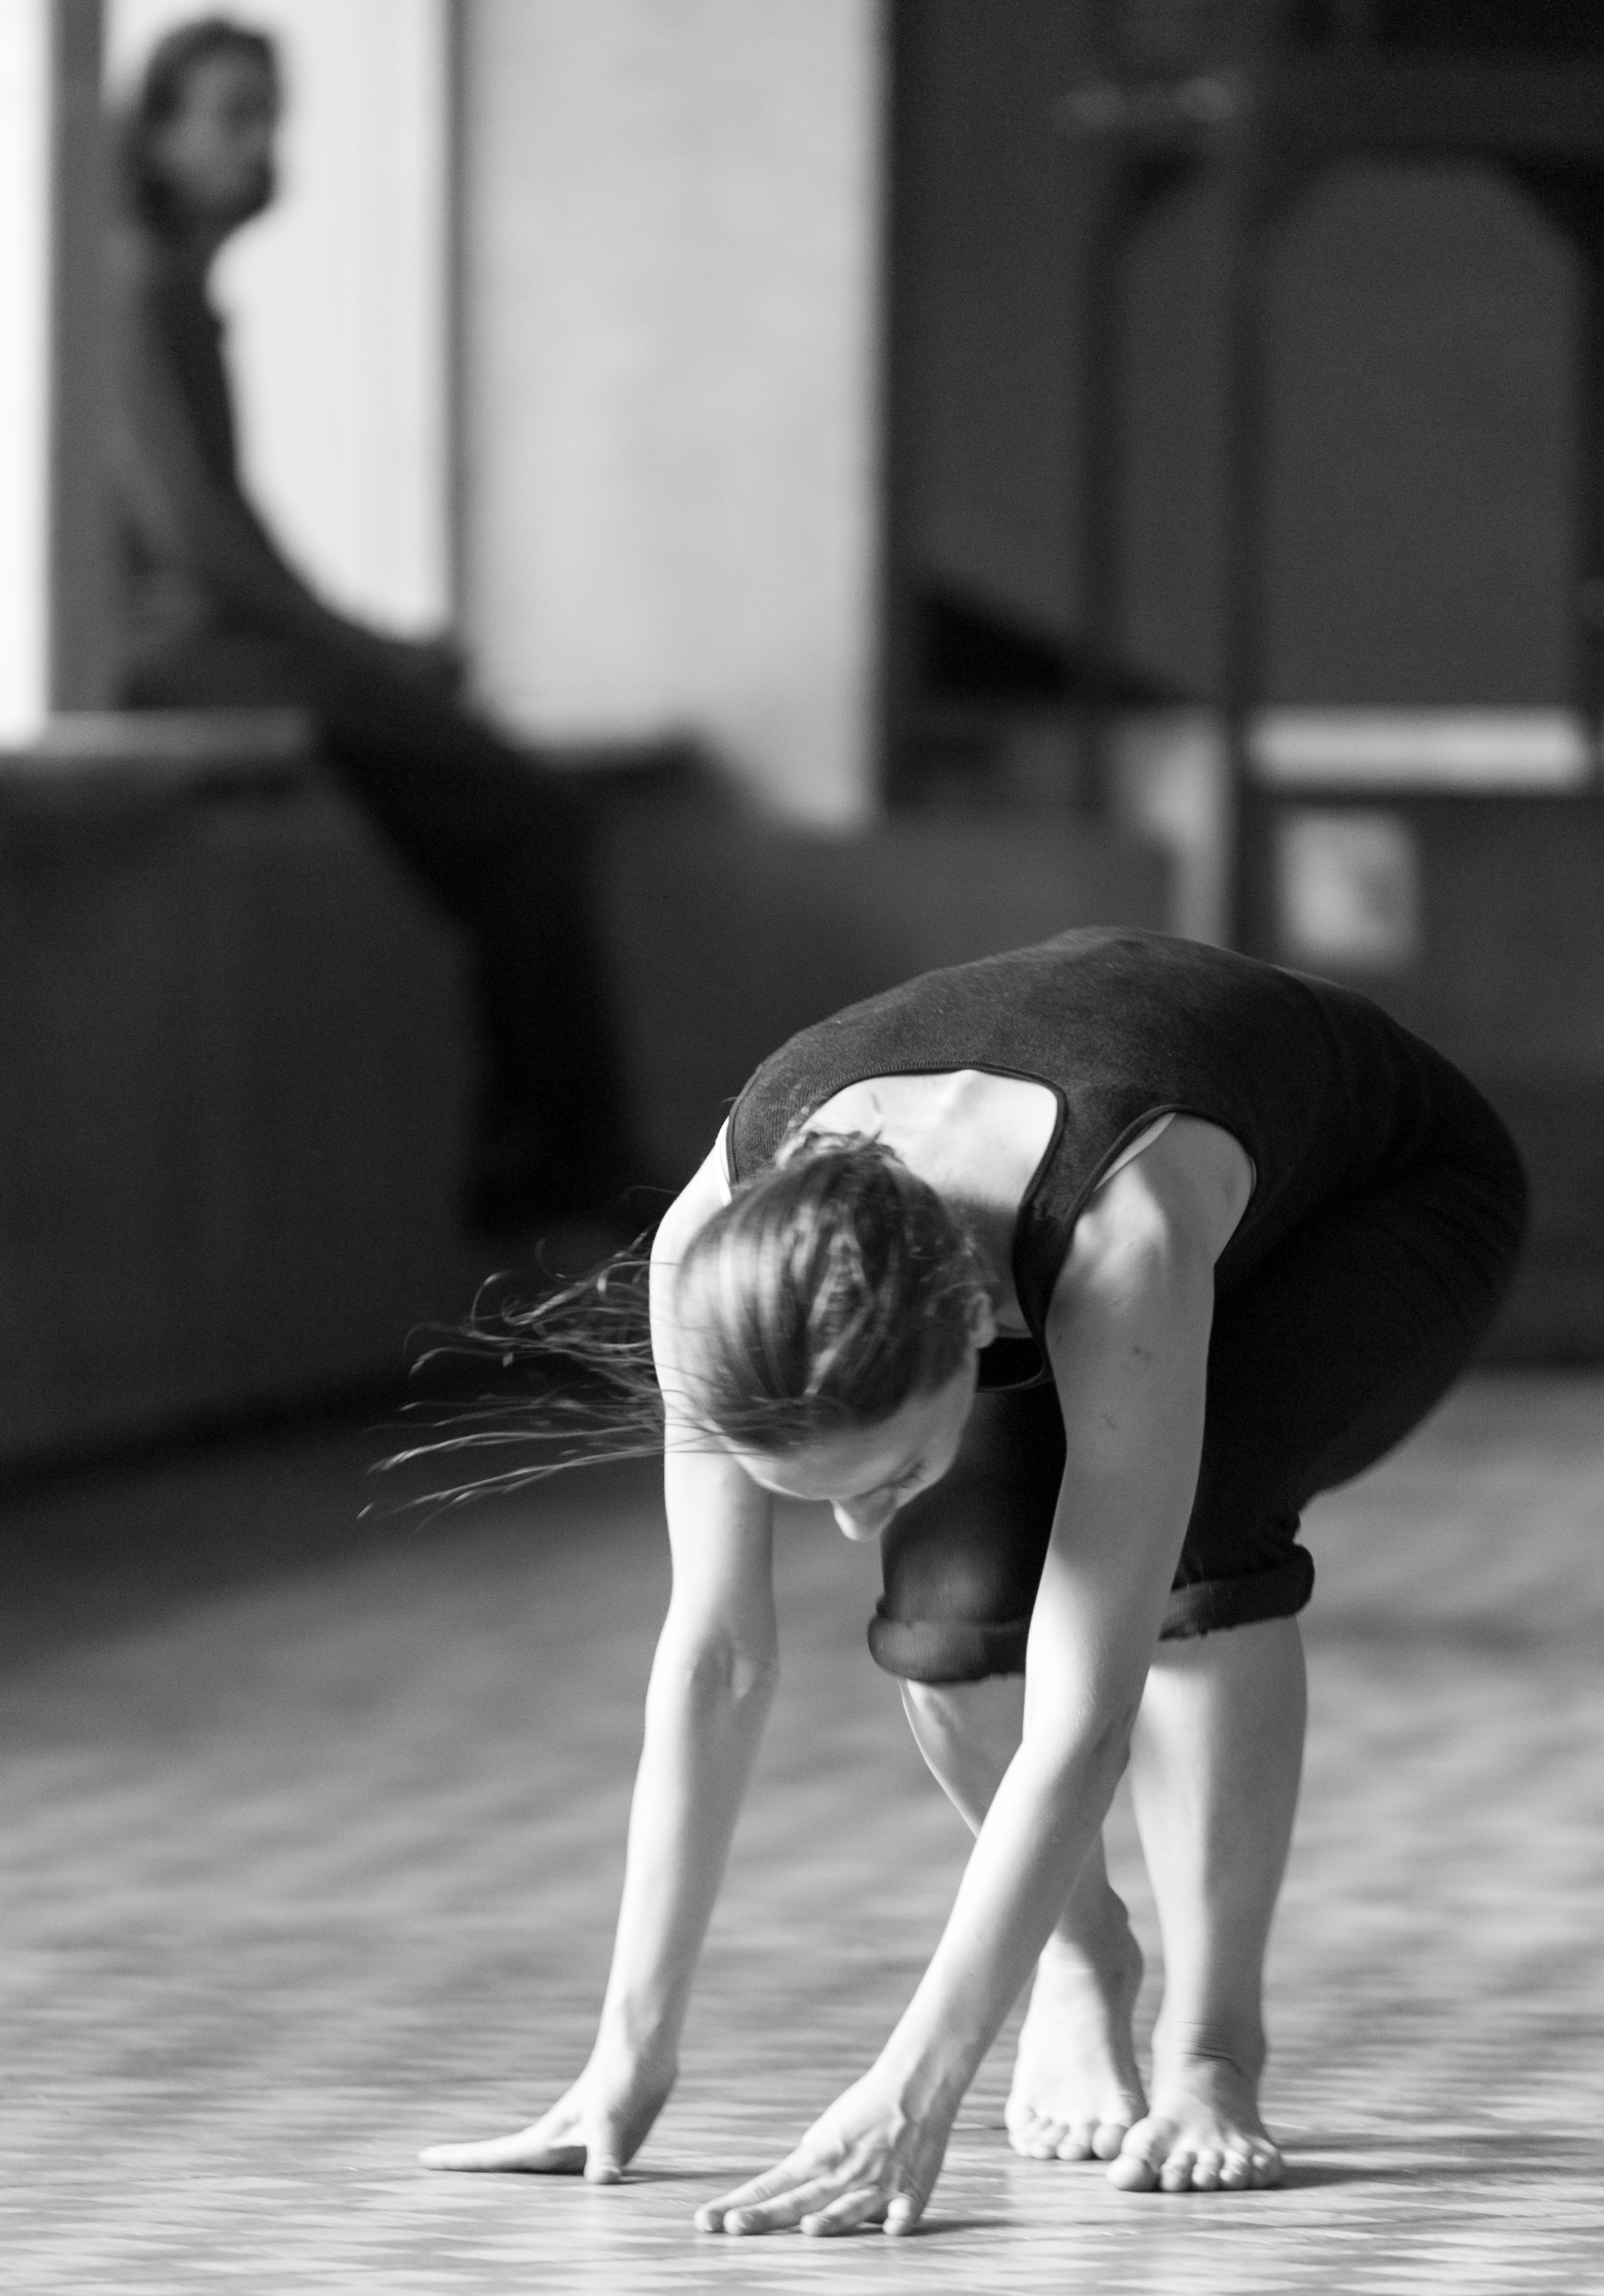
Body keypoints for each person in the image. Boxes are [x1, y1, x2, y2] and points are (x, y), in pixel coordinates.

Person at [417, 925, 1525, 2233]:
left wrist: (915, 2085)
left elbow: (1087, 1714)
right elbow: (714, 1658)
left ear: (969, 1332)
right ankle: (1082, 1954)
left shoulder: (1121, 1240)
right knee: (943, 1620)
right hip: (1069, 1192)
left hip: (1377, 1201)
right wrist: (626, 2058)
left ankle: (1212, 2052)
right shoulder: (705, 1253)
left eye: (884, 1471)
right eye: (821, 1489)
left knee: (1201, 1535)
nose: (849, 1525)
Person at [107, 15, 633, 1227]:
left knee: (526, 813)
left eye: (271, 115)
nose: (260, 145)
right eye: (232, 115)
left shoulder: (173, 286)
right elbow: (206, 549)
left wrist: (375, 651)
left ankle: (551, 1148)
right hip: (178, 657)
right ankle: (552, 1154)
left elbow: (231, 538)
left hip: (224, 642)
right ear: (158, 131)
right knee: (533, 814)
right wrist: (377, 655)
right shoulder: (130, 280)